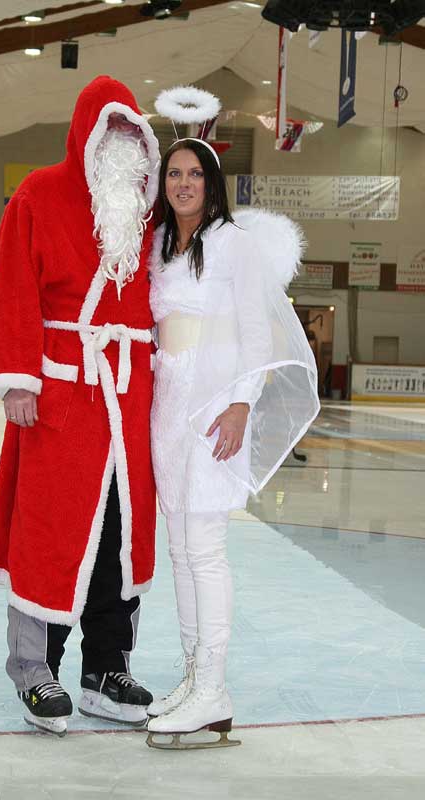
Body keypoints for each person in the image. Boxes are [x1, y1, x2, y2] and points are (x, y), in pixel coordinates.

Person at [0, 76, 161, 736]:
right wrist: (19, 380)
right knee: (50, 530)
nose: (119, 146)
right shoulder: (38, 193)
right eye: (108, 132)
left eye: (129, 135)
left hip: (128, 399)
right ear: (86, 133)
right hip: (61, 391)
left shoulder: (148, 211)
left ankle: (105, 667)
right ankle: (36, 665)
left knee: (120, 536)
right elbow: (11, 286)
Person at [145, 137, 320, 749]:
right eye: (174, 173)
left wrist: (243, 404)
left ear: (212, 184)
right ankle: (194, 678)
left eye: (195, 174)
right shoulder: (163, 247)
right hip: (168, 408)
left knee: (205, 548)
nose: (184, 183)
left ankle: (214, 687)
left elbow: (256, 332)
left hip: (217, 409)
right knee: (178, 548)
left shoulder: (232, 244)